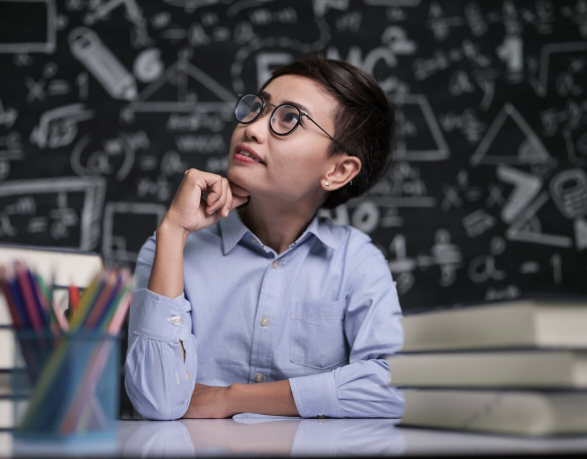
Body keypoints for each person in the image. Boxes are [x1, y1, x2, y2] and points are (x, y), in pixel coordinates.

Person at [125, 55, 404, 420]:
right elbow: (157, 401)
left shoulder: (356, 261)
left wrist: (233, 398)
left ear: (337, 171)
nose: (253, 129)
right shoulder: (172, 248)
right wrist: (174, 232)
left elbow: (395, 384)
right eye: (258, 108)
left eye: (290, 119)